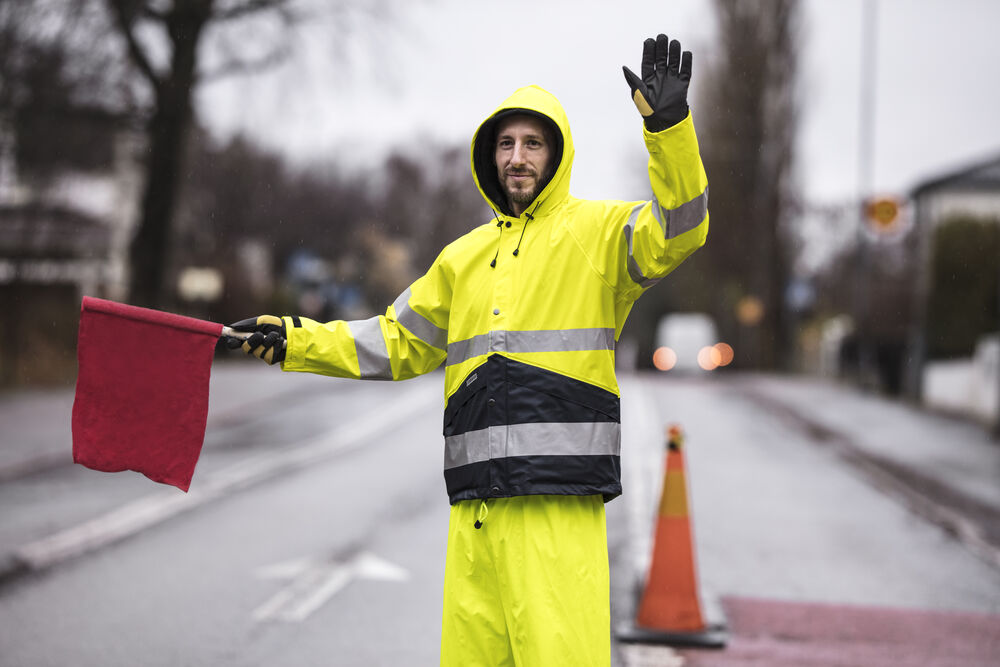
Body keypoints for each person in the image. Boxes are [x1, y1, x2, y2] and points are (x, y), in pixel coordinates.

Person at [226, 33, 708, 667]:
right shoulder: (462, 258)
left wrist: (669, 131)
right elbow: (394, 341)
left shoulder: (598, 233)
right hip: (475, 518)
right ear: (489, 156)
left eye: (532, 143)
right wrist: (295, 339)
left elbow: (681, 227)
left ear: (557, 154)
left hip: (556, 514)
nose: (518, 158)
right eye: (506, 144)